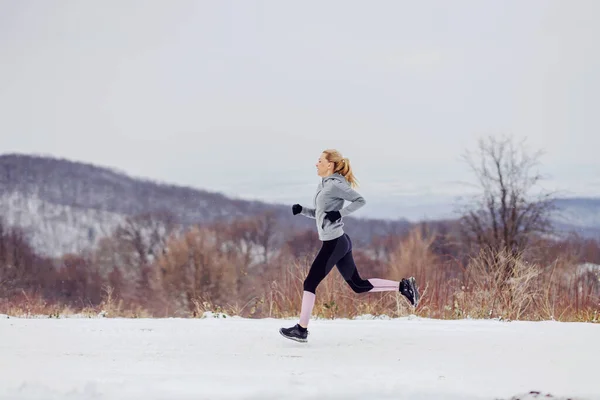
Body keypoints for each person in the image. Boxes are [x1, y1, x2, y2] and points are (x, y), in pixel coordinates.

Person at [279, 149, 419, 343]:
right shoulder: (324, 185)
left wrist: (341, 213)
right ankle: (403, 286)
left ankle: (301, 329)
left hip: (334, 243)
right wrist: (302, 210)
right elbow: (323, 214)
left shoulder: (335, 185)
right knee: (358, 285)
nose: (316, 163)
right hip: (339, 241)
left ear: (330, 165)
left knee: (310, 283)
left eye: (319, 160)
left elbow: (360, 200)